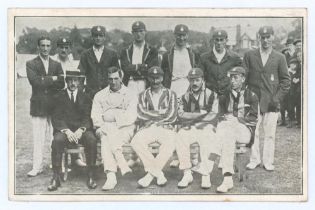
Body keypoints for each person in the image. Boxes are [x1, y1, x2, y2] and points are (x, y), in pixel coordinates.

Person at [243, 26, 290, 171]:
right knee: (253, 131)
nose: (265, 40)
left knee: (270, 134)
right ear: (259, 38)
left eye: (268, 37)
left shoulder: (280, 57)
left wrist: (276, 98)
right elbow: (244, 77)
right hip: (254, 101)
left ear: (272, 37)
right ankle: (254, 159)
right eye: (262, 37)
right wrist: (245, 96)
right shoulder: (250, 55)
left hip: (271, 101)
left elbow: (285, 81)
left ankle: (268, 161)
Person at [48, 70, 97, 191]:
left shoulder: (85, 97)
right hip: (65, 131)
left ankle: (91, 175)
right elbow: (56, 117)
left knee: (91, 140)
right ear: (66, 81)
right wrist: (67, 131)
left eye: (75, 80)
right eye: (70, 80)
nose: (73, 83)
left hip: (81, 130)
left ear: (80, 82)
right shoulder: (59, 96)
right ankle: (56, 176)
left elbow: (87, 117)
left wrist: (81, 130)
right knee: (57, 141)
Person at [91, 67, 138, 190]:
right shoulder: (100, 95)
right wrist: (105, 123)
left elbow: (131, 116)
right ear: (107, 79)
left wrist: (111, 116)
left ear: (121, 78)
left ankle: (111, 177)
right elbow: (95, 116)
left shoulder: (131, 94)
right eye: (110, 79)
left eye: (116, 78)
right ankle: (120, 162)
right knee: (106, 134)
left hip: (125, 129)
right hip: (103, 128)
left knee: (107, 139)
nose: (113, 82)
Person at [130, 66, 177, 188]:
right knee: (136, 141)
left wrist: (153, 115)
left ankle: (150, 175)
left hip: (165, 128)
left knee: (171, 141)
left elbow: (172, 115)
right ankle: (158, 173)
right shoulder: (142, 95)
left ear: (162, 78)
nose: (155, 81)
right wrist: (161, 113)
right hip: (148, 127)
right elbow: (141, 113)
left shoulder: (171, 94)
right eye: (152, 78)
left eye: (158, 78)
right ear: (148, 78)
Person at [215, 66, 259, 193]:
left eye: (236, 78)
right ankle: (227, 179)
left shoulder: (252, 96)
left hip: (245, 132)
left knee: (227, 128)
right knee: (228, 134)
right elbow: (220, 115)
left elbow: (254, 119)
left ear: (243, 79)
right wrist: (227, 119)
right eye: (231, 78)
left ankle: (213, 154)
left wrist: (236, 119)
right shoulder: (225, 96)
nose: (232, 81)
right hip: (228, 131)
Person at [26, 36, 65, 177]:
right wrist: (52, 78)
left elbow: (61, 83)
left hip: (54, 106)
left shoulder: (56, 64)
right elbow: (35, 82)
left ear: (51, 47)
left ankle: (57, 164)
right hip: (38, 106)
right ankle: (37, 167)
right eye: (42, 45)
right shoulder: (31, 63)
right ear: (38, 47)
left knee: (55, 137)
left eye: (48, 45)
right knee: (38, 138)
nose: (45, 48)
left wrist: (46, 79)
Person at [175, 68, 219, 189]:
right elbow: (181, 114)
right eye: (192, 80)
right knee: (180, 136)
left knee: (207, 137)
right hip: (190, 126)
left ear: (203, 80)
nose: (194, 83)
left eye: (197, 80)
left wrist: (194, 117)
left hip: (206, 126)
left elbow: (213, 114)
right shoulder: (184, 96)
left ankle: (205, 174)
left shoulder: (211, 94)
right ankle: (187, 172)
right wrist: (201, 114)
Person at [53, 37, 86, 167]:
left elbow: (77, 79)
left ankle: (75, 158)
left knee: (75, 125)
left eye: (66, 47)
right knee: (59, 131)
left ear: (70, 49)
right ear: (58, 48)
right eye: (61, 47)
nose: (64, 50)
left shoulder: (73, 63)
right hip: (58, 99)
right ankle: (59, 160)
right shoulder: (53, 62)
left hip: (73, 97)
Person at [78, 25, 119, 98]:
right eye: (95, 36)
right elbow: (81, 75)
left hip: (108, 94)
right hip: (90, 95)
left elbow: (117, 75)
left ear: (104, 37)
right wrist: (80, 94)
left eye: (101, 36)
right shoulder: (85, 54)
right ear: (92, 37)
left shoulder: (112, 54)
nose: (98, 38)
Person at [199, 29, 242, 96]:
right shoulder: (204, 58)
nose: (219, 43)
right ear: (213, 41)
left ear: (226, 41)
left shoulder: (234, 58)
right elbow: (200, 77)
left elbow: (240, 76)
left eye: (221, 40)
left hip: (228, 96)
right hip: (209, 96)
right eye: (217, 40)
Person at [161, 24, 200, 97]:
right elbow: (163, 75)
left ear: (187, 35)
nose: (181, 38)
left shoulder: (194, 54)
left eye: (184, 35)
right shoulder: (167, 55)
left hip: (189, 90)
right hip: (173, 89)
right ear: (175, 35)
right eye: (179, 35)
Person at [120, 21, 159, 94]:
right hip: (130, 83)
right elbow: (125, 68)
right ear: (132, 33)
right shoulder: (125, 50)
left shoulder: (152, 50)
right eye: (135, 31)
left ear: (145, 32)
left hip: (145, 83)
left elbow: (152, 69)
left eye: (141, 31)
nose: (138, 34)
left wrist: (133, 67)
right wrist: (143, 66)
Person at [279, 37, 296, 126]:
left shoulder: (296, 54)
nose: (289, 47)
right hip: (285, 79)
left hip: (294, 80)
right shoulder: (285, 55)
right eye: (288, 45)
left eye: (290, 45)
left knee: (291, 101)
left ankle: (292, 119)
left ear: (293, 46)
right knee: (284, 100)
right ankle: (283, 120)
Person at [287, 58, 301, 128]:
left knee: (299, 108)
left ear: (295, 65)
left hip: (298, 92)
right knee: (290, 108)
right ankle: (291, 121)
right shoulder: (289, 72)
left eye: (291, 65)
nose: (290, 66)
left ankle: (299, 122)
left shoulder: (300, 72)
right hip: (291, 92)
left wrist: (298, 80)